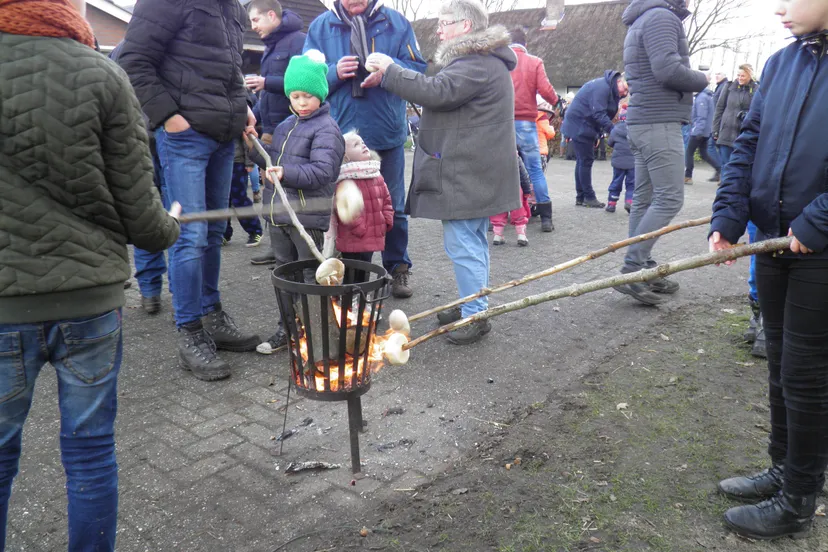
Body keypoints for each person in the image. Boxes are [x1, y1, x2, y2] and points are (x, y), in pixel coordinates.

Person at [0, 0, 181, 547]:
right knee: (90, 450)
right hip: (89, 300)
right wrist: (168, 227)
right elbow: (141, 214)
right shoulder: (102, 74)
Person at [708, 0, 828, 539]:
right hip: (774, 237)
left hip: (818, 245)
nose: (778, 8)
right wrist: (729, 215)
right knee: (780, 361)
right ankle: (784, 468)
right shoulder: (782, 62)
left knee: (807, 373)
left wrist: (818, 220)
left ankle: (799, 499)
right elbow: (749, 141)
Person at [119, 0, 261, 381]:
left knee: (213, 232)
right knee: (190, 235)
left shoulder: (231, 7)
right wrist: (168, 116)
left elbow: (230, 68)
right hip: (185, 137)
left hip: (224, 135)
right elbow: (133, 61)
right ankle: (190, 331)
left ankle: (211, 314)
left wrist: (244, 106)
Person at [366, 0, 521, 344]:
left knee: (464, 245)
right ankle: (473, 304)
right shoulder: (482, 61)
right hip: (474, 170)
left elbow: (436, 91)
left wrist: (391, 70)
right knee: (473, 242)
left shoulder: (476, 62)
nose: (438, 30)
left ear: (465, 26)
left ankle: (474, 314)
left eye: (444, 22)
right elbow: (440, 92)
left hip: (467, 172)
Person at [304, 0, 427, 299]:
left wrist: (388, 73)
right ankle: (355, 275)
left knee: (393, 207)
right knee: (349, 209)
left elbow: (418, 69)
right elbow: (305, 79)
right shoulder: (320, 26)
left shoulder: (396, 23)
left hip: (386, 133)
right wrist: (333, 72)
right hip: (341, 137)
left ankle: (398, 267)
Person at [250, 51, 346, 355]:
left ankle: (319, 335)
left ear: (320, 94)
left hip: (306, 218)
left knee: (310, 277)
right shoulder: (284, 126)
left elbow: (323, 172)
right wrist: (252, 145)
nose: (301, 102)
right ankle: (288, 329)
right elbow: (273, 161)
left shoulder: (327, 129)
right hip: (279, 215)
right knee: (284, 274)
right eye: (295, 96)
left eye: (307, 96)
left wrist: (286, 173)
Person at [613, 0, 708, 305]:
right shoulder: (661, 17)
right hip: (659, 121)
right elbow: (668, 71)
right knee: (670, 198)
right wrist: (703, 79)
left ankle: (642, 266)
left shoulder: (643, 18)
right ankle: (632, 269)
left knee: (644, 198)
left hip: (643, 121)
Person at [110, 41, 171, 315]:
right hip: (166, 136)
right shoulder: (174, 45)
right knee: (178, 215)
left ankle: (150, 292)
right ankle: (173, 293)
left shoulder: (121, 51)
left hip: (136, 139)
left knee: (145, 215)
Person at [246, 0, 307, 266]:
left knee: (291, 190)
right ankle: (277, 247)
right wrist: (253, 116)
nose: (252, 26)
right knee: (271, 191)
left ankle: (298, 249)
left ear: (271, 15)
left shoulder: (298, 41)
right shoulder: (270, 46)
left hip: (292, 130)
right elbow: (267, 98)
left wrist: (266, 82)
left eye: (255, 19)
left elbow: (303, 84)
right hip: (270, 131)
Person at [712, 63, 763, 356]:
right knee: (759, 254)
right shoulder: (777, 72)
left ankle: (775, 319)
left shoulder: (756, 88)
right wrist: (727, 220)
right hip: (763, 189)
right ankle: (759, 312)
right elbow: (746, 148)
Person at [509, 27, 559, 232]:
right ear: (525, 44)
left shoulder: (499, 63)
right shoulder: (534, 62)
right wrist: (556, 101)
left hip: (502, 123)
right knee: (535, 170)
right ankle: (546, 219)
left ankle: (496, 220)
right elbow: (546, 90)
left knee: (501, 169)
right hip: (526, 123)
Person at [331, 132, 394, 282]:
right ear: (346, 157)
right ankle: (350, 295)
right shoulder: (344, 180)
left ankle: (361, 295)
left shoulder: (375, 174)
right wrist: (360, 228)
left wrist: (386, 220)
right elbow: (345, 208)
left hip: (372, 234)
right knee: (351, 272)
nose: (363, 146)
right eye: (356, 145)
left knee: (365, 269)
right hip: (353, 237)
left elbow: (386, 200)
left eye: (362, 142)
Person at [560, 70, 628, 209]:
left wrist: (598, 133)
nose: (625, 93)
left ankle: (581, 196)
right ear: (619, 81)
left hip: (581, 124)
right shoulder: (603, 88)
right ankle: (588, 197)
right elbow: (599, 113)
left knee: (582, 160)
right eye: (625, 89)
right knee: (586, 160)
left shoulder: (607, 87)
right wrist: (614, 132)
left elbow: (599, 114)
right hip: (580, 125)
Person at [223, 137, 264, 247]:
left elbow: (247, 138)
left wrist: (249, 162)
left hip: (236, 162)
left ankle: (255, 231)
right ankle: (223, 233)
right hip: (218, 161)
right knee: (221, 200)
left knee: (239, 200)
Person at [491, 155, 533, 246]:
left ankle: (497, 235)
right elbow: (523, 175)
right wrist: (526, 190)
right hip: (515, 187)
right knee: (518, 211)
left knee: (498, 212)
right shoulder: (514, 154)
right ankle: (521, 235)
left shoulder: (490, 155)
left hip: (497, 188)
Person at [684, 86, 721, 185]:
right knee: (704, 154)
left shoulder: (702, 98)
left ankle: (688, 176)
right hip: (705, 131)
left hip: (699, 131)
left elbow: (701, 117)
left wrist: (697, 131)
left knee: (689, 152)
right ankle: (720, 170)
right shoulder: (706, 96)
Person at [605, 104, 635, 213]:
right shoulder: (636, 130)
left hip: (618, 162)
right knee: (632, 183)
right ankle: (629, 201)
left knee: (616, 181)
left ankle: (611, 204)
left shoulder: (615, 129)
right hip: (632, 162)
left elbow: (610, 143)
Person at [536, 105, 556, 172]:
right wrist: (551, 128)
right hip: (541, 150)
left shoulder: (531, 117)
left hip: (530, 150)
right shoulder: (542, 118)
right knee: (539, 174)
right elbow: (550, 133)